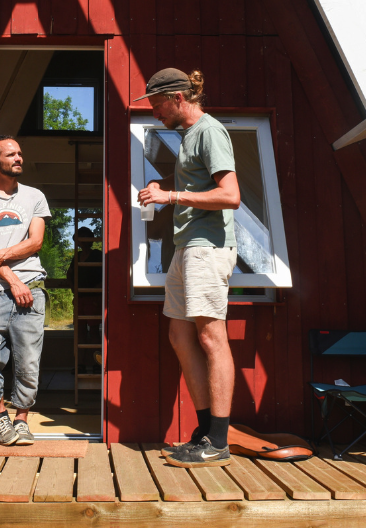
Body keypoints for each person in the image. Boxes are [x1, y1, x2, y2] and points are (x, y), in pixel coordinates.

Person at [135, 69, 241, 468]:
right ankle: (203, 431)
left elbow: (231, 195)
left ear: (178, 98)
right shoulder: (189, 138)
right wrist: (166, 188)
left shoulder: (210, 131)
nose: (155, 113)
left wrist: (172, 195)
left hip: (208, 249)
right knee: (180, 336)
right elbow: (200, 184)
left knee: (212, 339)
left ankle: (219, 439)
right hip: (187, 248)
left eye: (157, 105)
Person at [0, 135, 51, 446]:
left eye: (20, 153)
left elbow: (36, 243)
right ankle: (0, 417)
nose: (19, 158)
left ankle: (22, 419)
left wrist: (0, 256)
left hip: (33, 286)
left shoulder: (34, 197)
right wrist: (12, 280)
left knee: (28, 359)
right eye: (11, 154)